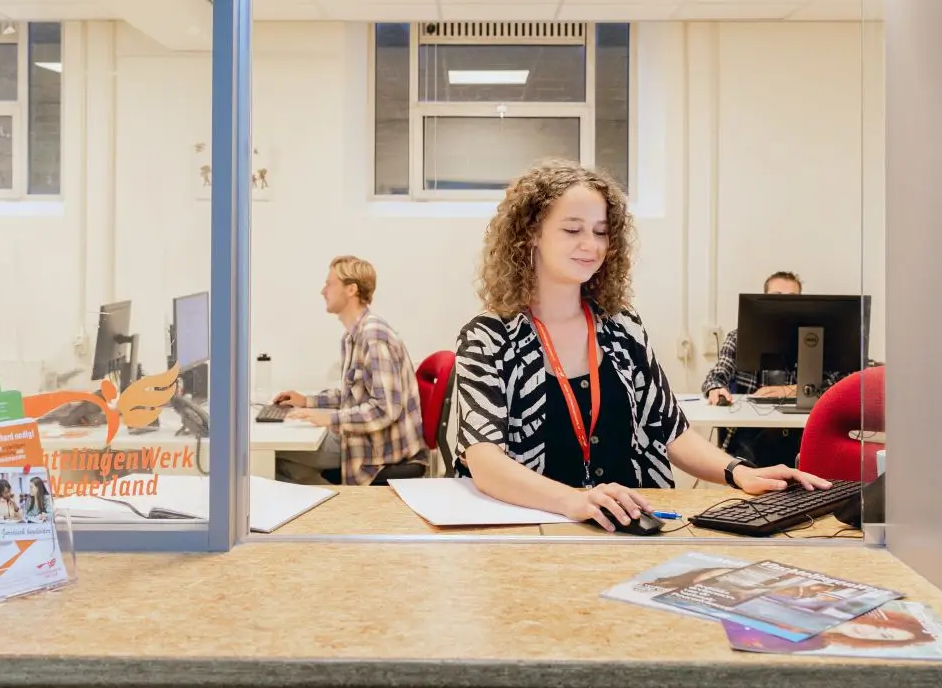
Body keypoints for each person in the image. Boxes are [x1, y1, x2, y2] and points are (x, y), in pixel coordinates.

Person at [446, 160, 828, 531]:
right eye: (572, 230)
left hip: (631, 529)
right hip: (538, 531)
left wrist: (739, 472)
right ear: (531, 233)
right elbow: (485, 461)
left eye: (600, 231)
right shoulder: (488, 337)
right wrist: (575, 501)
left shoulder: (623, 328)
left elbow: (671, 430)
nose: (590, 245)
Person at [271, 255, 427, 486]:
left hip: (378, 450)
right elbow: (353, 395)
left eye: (329, 284)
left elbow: (385, 409)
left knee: (274, 457)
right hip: (367, 439)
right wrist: (306, 401)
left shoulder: (374, 335)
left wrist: (328, 418)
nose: (323, 291)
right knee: (280, 455)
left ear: (351, 289)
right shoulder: (353, 335)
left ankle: (330, 512)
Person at [701, 271, 805, 405]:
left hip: (797, 424)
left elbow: (835, 385)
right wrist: (715, 389)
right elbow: (715, 378)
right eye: (776, 297)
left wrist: (795, 390)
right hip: (747, 421)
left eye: (791, 298)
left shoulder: (813, 341)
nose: (783, 304)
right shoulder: (737, 338)